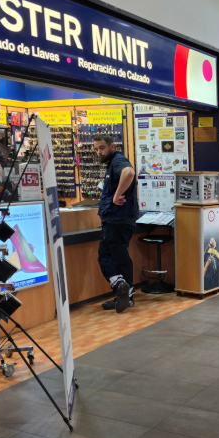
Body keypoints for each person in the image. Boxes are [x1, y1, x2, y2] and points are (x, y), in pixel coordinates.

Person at [94, 134, 138, 313]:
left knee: (108, 256)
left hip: (117, 219)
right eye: (96, 149)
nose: (99, 152)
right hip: (116, 219)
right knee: (117, 256)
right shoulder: (112, 163)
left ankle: (122, 287)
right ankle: (125, 294)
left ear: (112, 146)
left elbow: (129, 172)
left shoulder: (118, 160)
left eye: (102, 148)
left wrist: (116, 195)